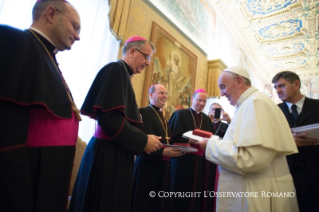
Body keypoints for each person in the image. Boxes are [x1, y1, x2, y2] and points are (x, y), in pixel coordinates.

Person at [0, 1, 81, 211]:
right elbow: (6, 133)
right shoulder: (15, 41)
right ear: (51, 14)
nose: (78, 36)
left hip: (49, 174)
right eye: (75, 26)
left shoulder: (48, 55)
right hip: (26, 179)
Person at [68, 36, 163, 212]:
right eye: (147, 57)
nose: (148, 63)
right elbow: (110, 118)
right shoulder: (116, 69)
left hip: (113, 152)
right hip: (107, 156)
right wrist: (143, 141)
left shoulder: (123, 74)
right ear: (132, 51)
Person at [196, 66, 299, 212]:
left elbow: (252, 160)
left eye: (223, 87)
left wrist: (211, 145)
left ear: (239, 81)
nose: (222, 93)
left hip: (258, 193)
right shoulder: (248, 103)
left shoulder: (255, 103)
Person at [131, 84, 183, 212]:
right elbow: (140, 142)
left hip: (163, 167)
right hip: (147, 166)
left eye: (166, 94)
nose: (164, 96)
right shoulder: (143, 112)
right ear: (151, 95)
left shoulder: (162, 116)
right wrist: (162, 152)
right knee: (146, 203)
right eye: (161, 93)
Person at [272, 71, 319, 212]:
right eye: (275, 87)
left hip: (315, 172)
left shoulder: (317, 106)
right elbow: (268, 139)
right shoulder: (274, 111)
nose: (278, 91)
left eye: (281, 86)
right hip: (285, 173)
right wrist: (288, 141)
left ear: (296, 84)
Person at [168, 89, 216, 212]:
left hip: (199, 162)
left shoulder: (206, 119)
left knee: (196, 192)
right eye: (199, 100)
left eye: (204, 101)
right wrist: (191, 141)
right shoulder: (180, 114)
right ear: (193, 99)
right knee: (180, 191)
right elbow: (172, 137)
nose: (201, 103)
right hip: (182, 160)